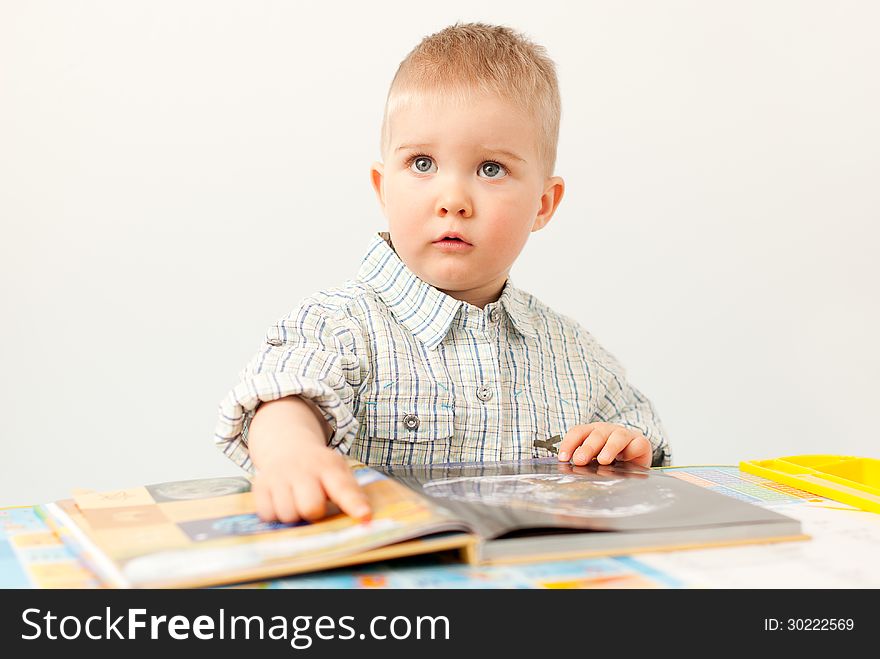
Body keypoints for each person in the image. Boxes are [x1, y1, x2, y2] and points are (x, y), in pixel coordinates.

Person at [214, 22, 671, 524]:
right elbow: (286, 392)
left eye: (491, 169)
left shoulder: (572, 351)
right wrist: (292, 454)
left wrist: (625, 444)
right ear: (383, 186)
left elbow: (643, 430)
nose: (452, 200)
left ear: (543, 204)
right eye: (423, 162)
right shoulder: (342, 324)